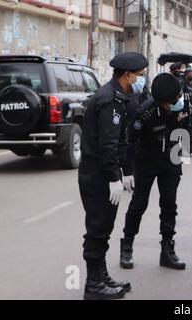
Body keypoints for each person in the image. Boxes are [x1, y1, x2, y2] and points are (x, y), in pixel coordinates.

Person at [79, 52, 148, 300]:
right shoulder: (110, 101)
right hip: (98, 175)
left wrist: (124, 171)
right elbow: (108, 145)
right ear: (127, 75)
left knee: (104, 228)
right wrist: (113, 177)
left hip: (102, 172)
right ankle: (93, 285)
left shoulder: (116, 96)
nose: (141, 79)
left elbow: (119, 142)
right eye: (139, 76)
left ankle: (101, 277)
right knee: (97, 229)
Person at [120, 73, 192, 271]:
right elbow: (130, 142)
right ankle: (127, 246)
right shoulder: (145, 113)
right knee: (138, 204)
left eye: (175, 101)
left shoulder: (183, 103)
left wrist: (190, 148)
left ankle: (167, 251)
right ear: (159, 103)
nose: (173, 105)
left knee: (169, 205)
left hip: (171, 159)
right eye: (168, 104)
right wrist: (127, 171)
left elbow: (188, 126)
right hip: (147, 160)